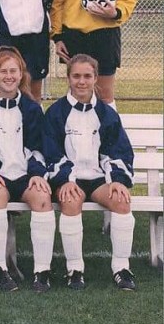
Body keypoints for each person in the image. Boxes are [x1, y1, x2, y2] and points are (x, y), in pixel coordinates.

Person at [44, 54, 137, 291]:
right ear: (68, 78)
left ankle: (121, 268)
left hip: (97, 180)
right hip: (68, 179)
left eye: (87, 76)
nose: (82, 82)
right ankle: (75, 269)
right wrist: (64, 179)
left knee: (121, 199)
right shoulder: (56, 112)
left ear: (96, 78)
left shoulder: (106, 113)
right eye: (76, 76)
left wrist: (116, 179)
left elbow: (118, 150)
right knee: (71, 201)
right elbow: (50, 152)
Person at [0, 47, 55, 293]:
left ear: (21, 74)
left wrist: (37, 174)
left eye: (13, 71)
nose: (8, 76)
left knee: (42, 198)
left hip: (24, 176)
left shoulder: (31, 109)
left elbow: (38, 147)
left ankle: (42, 271)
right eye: (3, 71)